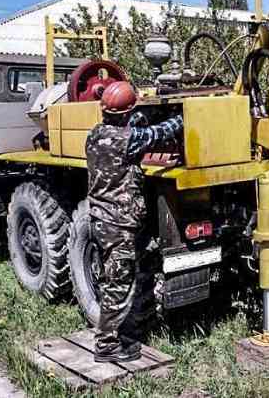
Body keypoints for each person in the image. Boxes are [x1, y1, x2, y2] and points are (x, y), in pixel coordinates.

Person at [86, 81, 183, 363]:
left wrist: (138, 114)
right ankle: (106, 346)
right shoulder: (127, 140)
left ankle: (131, 325)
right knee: (118, 283)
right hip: (118, 223)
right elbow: (159, 133)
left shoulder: (96, 134)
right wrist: (184, 115)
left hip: (103, 219)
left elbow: (133, 126)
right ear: (127, 112)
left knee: (117, 276)